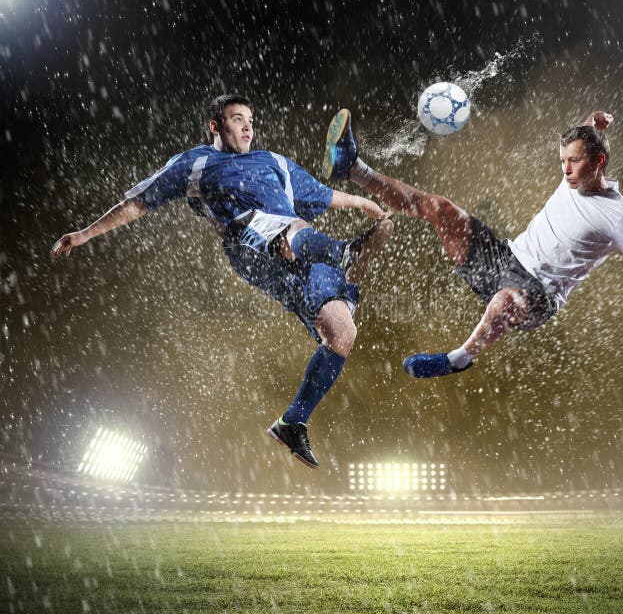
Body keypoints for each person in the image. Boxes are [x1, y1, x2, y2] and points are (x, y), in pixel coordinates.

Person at [51, 94, 395, 469]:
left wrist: (362, 203)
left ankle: (292, 421)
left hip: (303, 252)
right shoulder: (195, 163)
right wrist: (85, 233)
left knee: (342, 333)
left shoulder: (274, 162)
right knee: (289, 226)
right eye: (237, 119)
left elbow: (323, 194)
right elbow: (139, 202)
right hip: (247, 240)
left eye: (250, 119)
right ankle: (345, 253)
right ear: (215, 127)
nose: (248, 126)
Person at [322, 108, 623, 378]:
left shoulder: (620, 216)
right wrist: (593, 123)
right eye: (562, 162)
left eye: (574, 162)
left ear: (599, 163)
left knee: (504, 302)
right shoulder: (576, 169)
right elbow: (588, 133)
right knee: (441, 208)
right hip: (505, 257)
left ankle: (456, 360)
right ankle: (353, 167)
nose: (566, 170)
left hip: (540, 294)